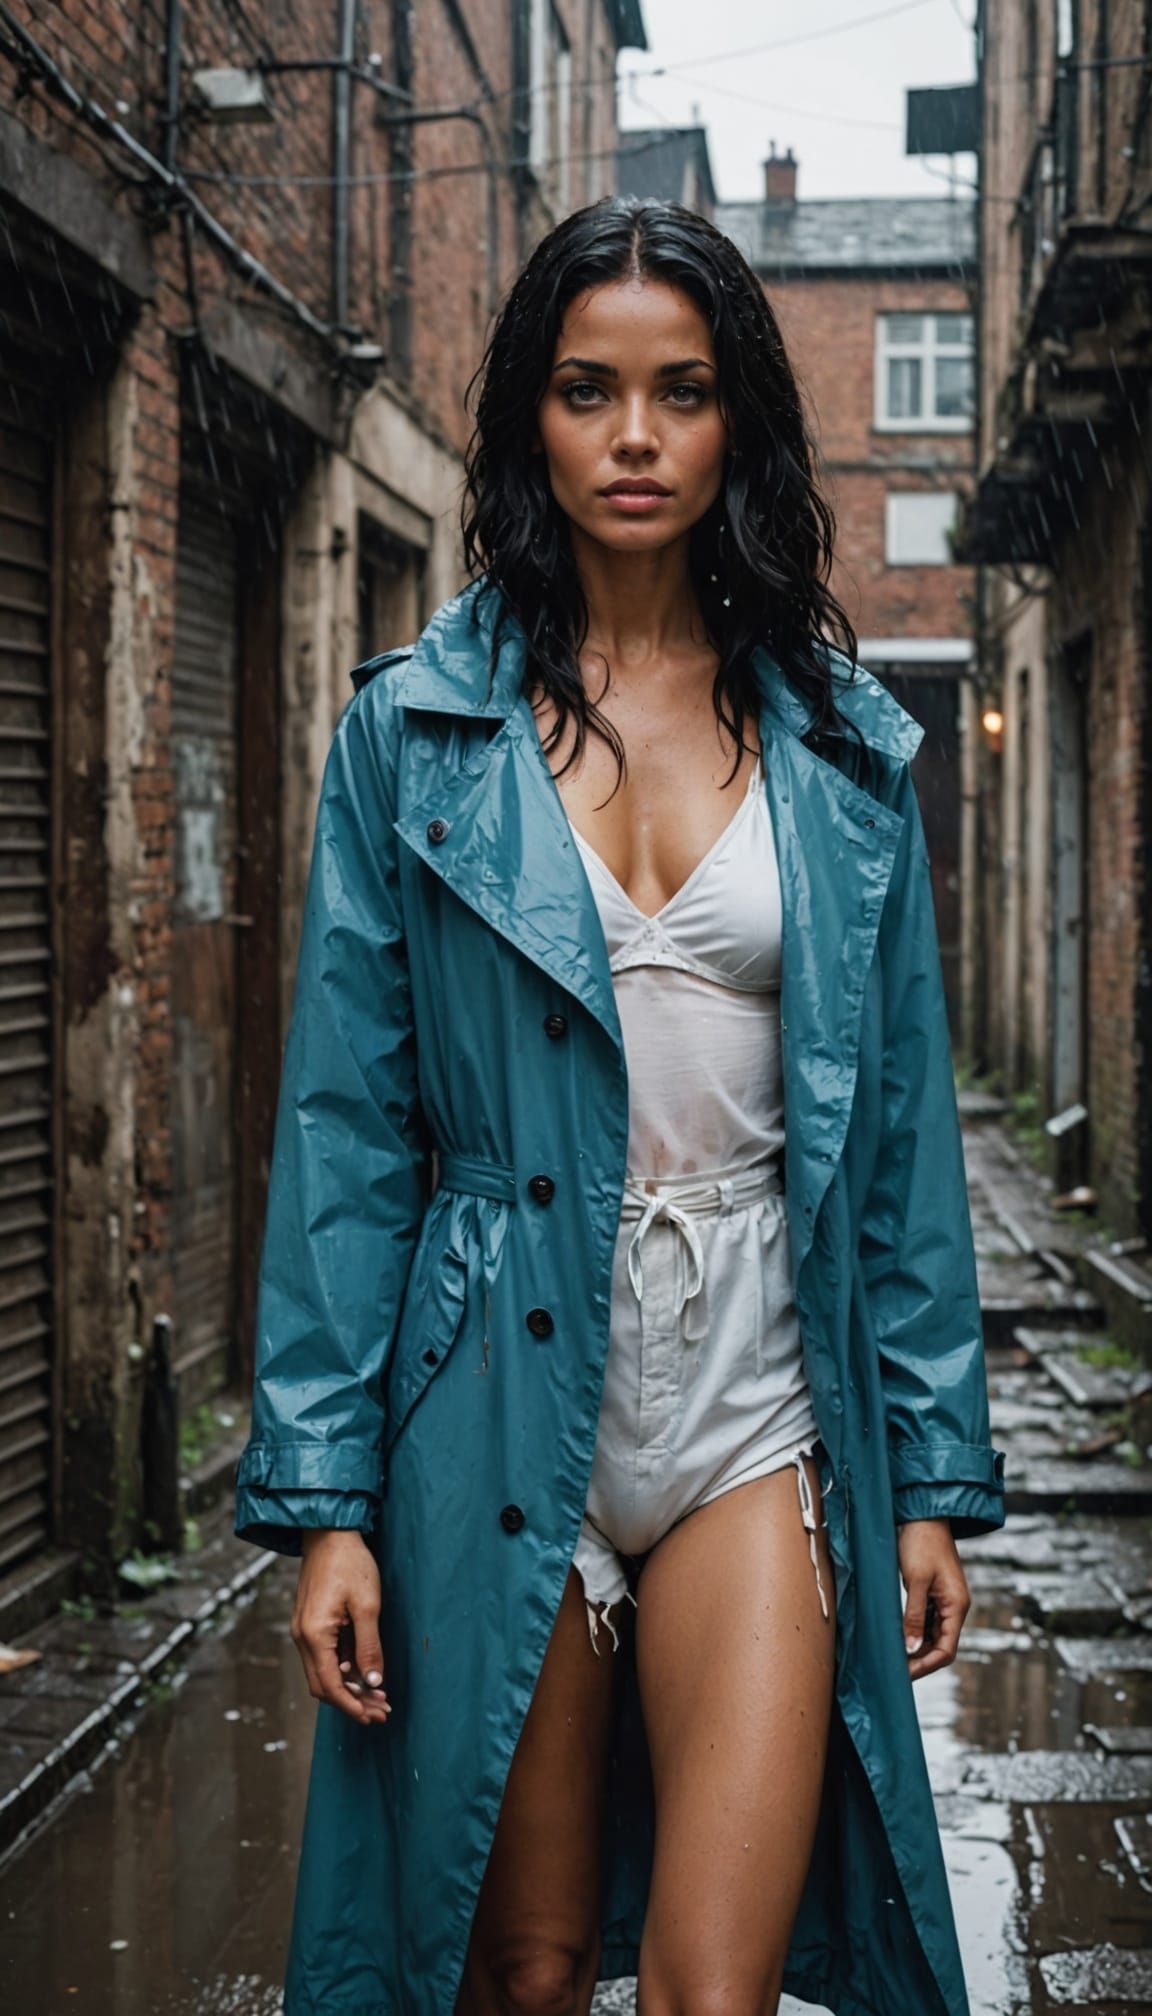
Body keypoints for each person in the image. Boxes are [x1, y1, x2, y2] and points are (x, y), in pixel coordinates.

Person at [235, 197, 1006, 2016]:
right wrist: (327, 1500)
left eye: (683, 391)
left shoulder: (841, 743)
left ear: (741, 418)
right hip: (494, 1386)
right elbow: (347, 1128)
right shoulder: (410, 731)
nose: (638, 438)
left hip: (757, 1390)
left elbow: (894, 1132)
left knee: (712, 1988)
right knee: (519, 1965)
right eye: (591, 392)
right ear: (531, 417)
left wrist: (929, 1474)